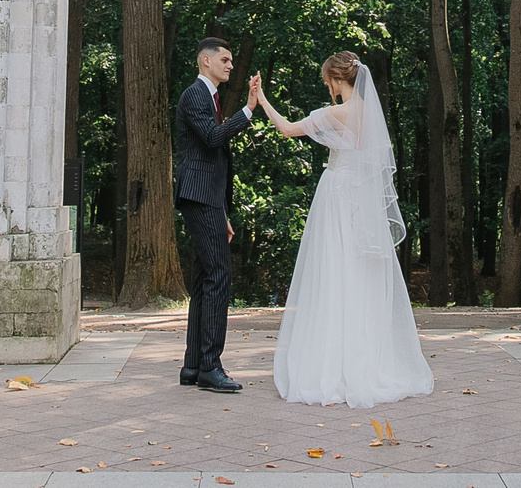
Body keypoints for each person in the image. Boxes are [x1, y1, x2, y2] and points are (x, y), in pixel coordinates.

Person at [248, 52, 433, 408]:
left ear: (336, 79)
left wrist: (263, 100)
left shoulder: (337, 112)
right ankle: (368, 361)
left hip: (336, 194)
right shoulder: (369, 111)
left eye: (326, 81)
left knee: (334, 271)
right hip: (360, 200)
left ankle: (334, 367)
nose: (326, 87)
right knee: (359, 274)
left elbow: (287, 129)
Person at [174, 35, 257, 392]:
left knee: (205, 279)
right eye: (225, 60)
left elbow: (212, 155)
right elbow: (211, 138)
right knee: (219, 275)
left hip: (206, 198)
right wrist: (248, 110)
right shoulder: (195, 94)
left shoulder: (210, 97)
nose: (231, 66)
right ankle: (210, 366)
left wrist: (222, 211)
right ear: (205, 60)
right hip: (198, 195)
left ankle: (193, 366)